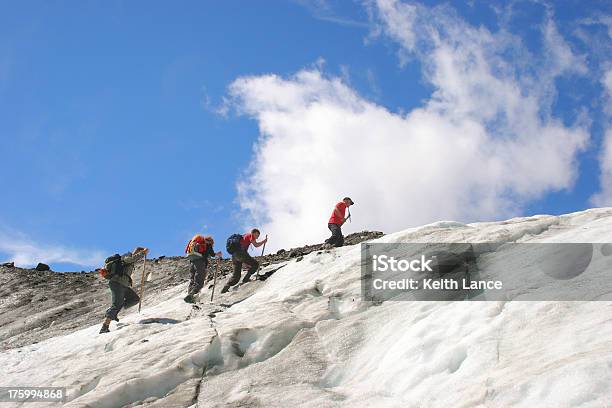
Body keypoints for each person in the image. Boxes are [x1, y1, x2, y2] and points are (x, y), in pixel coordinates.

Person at [99, 247, 148, 334]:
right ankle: (104, 327)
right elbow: (131, 259)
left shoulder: (129, 259)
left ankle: (113, 312)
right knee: (116, 305)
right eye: (137, 252)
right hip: (117, 283)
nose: (137, 254)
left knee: (135, 299)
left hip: (124, 285)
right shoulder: (126, 256)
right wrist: (143, 253)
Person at [221, 228, 268, 293]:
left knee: (236, 276)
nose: (257, 237)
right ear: (254, 233)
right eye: (257, 235)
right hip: (240, 254)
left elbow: (245, 253)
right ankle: (246, 279)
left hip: (234, 256)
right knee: (255, 264)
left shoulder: (244, 236)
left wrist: (245, 263)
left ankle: (225, 288)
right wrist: (264, 241)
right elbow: (256, 245)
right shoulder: (251, 235)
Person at [184, 235, 222, 304]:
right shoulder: (207, 244)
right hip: (200, 262)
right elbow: (212, 254)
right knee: (199, 278)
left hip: (192, 262)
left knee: (192, 279)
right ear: (210, 241)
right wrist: (217, 254)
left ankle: (190, 294)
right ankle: (192, 294)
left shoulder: (196, 244)